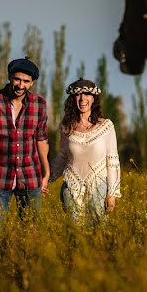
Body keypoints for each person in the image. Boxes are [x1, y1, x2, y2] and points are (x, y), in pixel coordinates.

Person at [0, 57, 50, 222]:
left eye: (26, 81)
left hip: (30, 177)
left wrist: (46, 172)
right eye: (17, 79)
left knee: (32, 235)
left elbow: (41, 139)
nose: (21, 85)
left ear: (32, 83)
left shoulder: (39, 104)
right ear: (10, 77)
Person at [50, 78, 121, 221]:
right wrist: (47, 179)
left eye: (87, 94)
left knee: (98, 231)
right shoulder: (66, 126)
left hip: (99, 185)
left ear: (93, 98)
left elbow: (112, 161)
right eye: (78, 95)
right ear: (72, 99)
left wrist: (112, 193)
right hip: (71, 185)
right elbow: (63, 156)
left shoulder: (106, 126)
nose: (82, 99)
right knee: (75, 232)